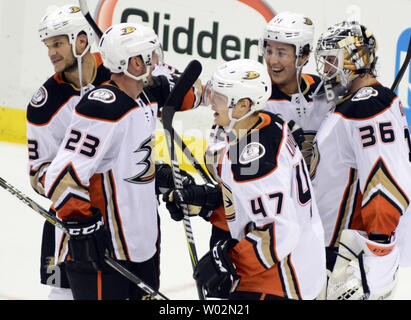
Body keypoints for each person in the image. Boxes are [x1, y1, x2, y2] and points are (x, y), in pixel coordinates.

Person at [42, 22, 201, 300]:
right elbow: (60, 175)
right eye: (150, 56)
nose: (156, 62)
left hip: (143, 244)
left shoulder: (146, 96)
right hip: (105, 252)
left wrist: (157, 175)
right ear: (135, 62)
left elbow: (197, 92)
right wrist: (82, 223)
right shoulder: (101, 107)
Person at [172, 58, 326, 299]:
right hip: (299, 260)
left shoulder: (251, 159)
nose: (211, 100)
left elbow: (280, 231)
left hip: (281, 277)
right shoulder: (268, 124)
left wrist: (230, 262)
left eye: (220, 96)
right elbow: (256, 202)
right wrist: (206, 202)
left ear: (243, 105)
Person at [312, 20, 411, 299]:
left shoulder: (369, 103)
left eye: (332, 60)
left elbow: (385, 181)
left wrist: (377, 254)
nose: (326, 69)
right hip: (330, 253)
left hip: (349, 260)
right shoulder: (351, 101)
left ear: (356, 59)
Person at [27, 4, 111, 300]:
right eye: (48, 45)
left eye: (58, 43)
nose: (51, 52)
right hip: (72, 224)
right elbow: (38, 173)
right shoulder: (45, 104)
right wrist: (72, 199)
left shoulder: (118, 76)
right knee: (62, 294)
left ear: (81, 40)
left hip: (123, 216)